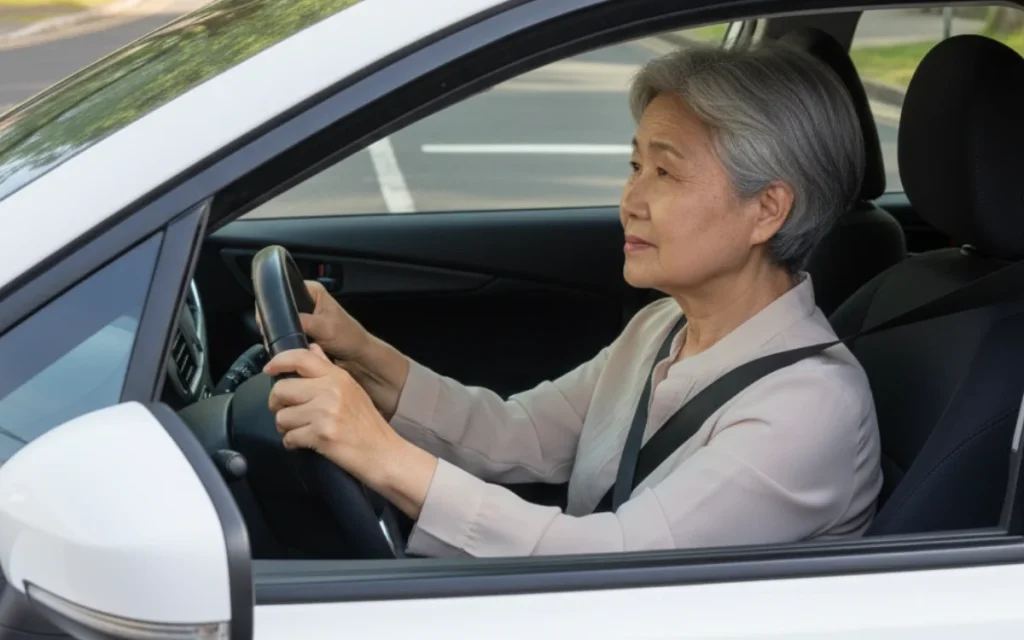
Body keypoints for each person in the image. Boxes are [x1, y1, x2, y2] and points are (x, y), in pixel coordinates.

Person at [263, 42, 884, 558]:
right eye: (634, 165)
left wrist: (382, 456)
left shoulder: (808, 409)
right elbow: (518, 433)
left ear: (767, 210)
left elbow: (615, 565)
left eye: (665, 173)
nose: (631, 199)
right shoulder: (663, 326)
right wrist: (364, 356)